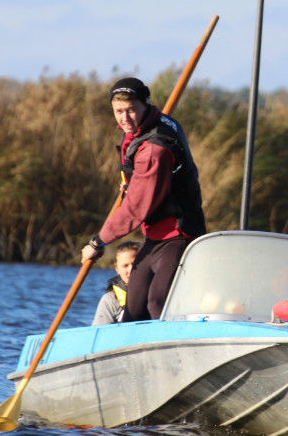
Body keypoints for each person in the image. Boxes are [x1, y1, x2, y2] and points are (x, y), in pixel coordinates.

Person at [81, 77, 206, 322]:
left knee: (157, 303)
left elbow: (136, 207)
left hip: (179, 235)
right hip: (153, 237)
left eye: (131, 110)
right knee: (133, 309)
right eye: (118, 111)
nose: (124, 118)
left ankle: (171, 344)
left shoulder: (155, 148)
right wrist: (131, 182)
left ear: (145, 105)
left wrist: (98, 242)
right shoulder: (150, 124)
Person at [91, 241, 139, 325]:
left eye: (135, 264)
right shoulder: (110, 300)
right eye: (125, 266)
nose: (131, 270)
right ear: (117, 269)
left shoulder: (157, 293)